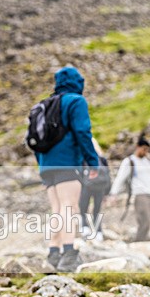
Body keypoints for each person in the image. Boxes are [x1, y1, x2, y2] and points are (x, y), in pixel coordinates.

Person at [33, 66, 99, 272]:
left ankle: (54, 253)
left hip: (46, 164)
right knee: (70, 207)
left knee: (57, 208)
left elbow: (34, 140)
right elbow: (82, 131)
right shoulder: (75, 101)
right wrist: (92, 160)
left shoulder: (45, 104)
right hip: (67, 161)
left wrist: (42, 162)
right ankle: (69, 254)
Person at [79, 137, 110, 241]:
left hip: (87, 186)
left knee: (83, 208)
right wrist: (107, 192)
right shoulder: (102, 158)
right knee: (97, 210)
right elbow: (108, 175)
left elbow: (80, 172)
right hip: (100, 186)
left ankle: (85, 228)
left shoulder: (84, 157)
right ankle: (99, 232)